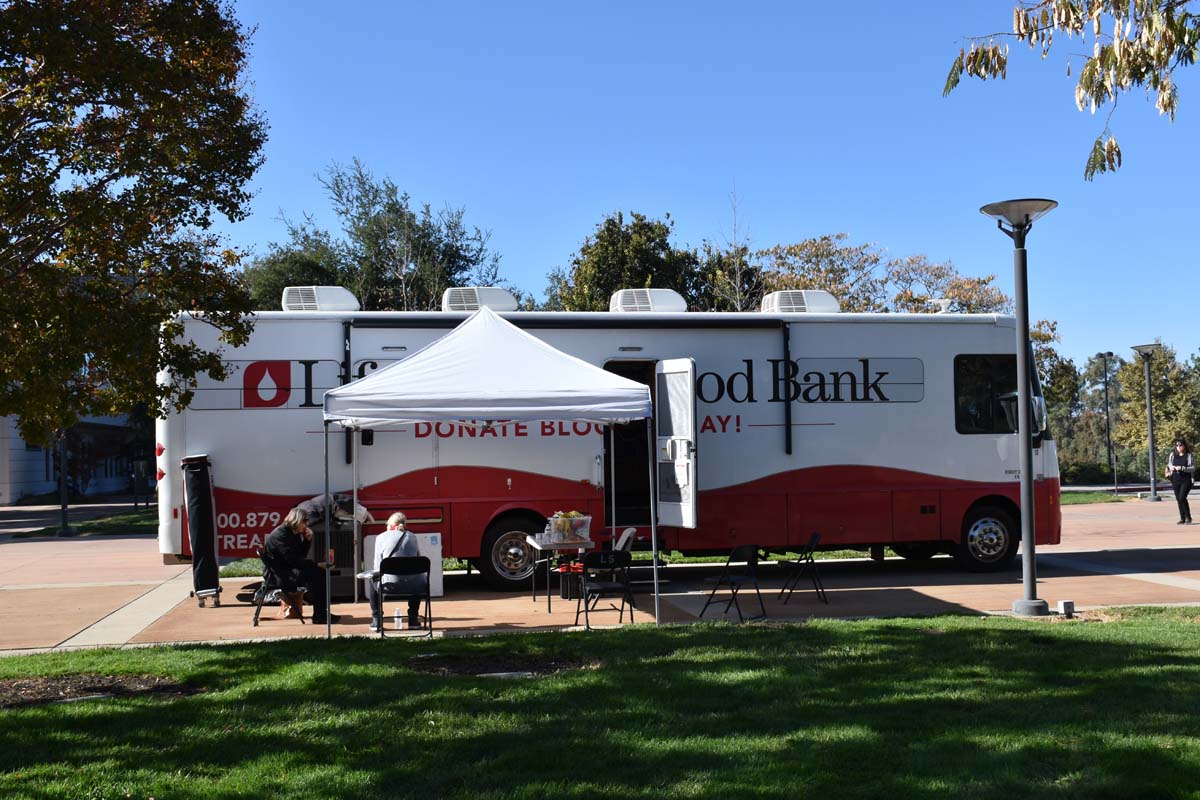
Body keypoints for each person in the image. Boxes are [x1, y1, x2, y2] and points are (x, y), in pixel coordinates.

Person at [262, 508, 339, 624]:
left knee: (319, 573)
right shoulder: (281, 535)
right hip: (279, 575)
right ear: (297, 520)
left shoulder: (293, 533)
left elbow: (300, 556)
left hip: (288, 570)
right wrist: (317, 565)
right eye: (305, 522)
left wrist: (307, 541)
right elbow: (294, 560)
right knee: (318, 574)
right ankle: (320, 614)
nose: (306, 525)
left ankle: (321, 613)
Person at [366, 512, 427, 632]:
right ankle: (413, 619)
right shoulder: (413, 537)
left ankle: (376, 620)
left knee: (372, 578)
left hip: (390, 587)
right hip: (416, 588)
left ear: (390, 524)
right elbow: (418, 559)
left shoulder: (381, 537)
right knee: (415, 577)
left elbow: (378, 567)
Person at [1165, 439, 1195, 524]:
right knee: (1179, 499)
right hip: (1175, 479)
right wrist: (1172, 468)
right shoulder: (1172, 455)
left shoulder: (1189, 456)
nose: (1178, 447)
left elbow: (1193, 468)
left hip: (1186, 479)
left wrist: (1182, 468)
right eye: (1177, 445)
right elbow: (1169, 464)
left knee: (1182, 497)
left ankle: (1188, 517)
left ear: (1184, 446)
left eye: (1180, 445)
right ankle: (1182, 518)